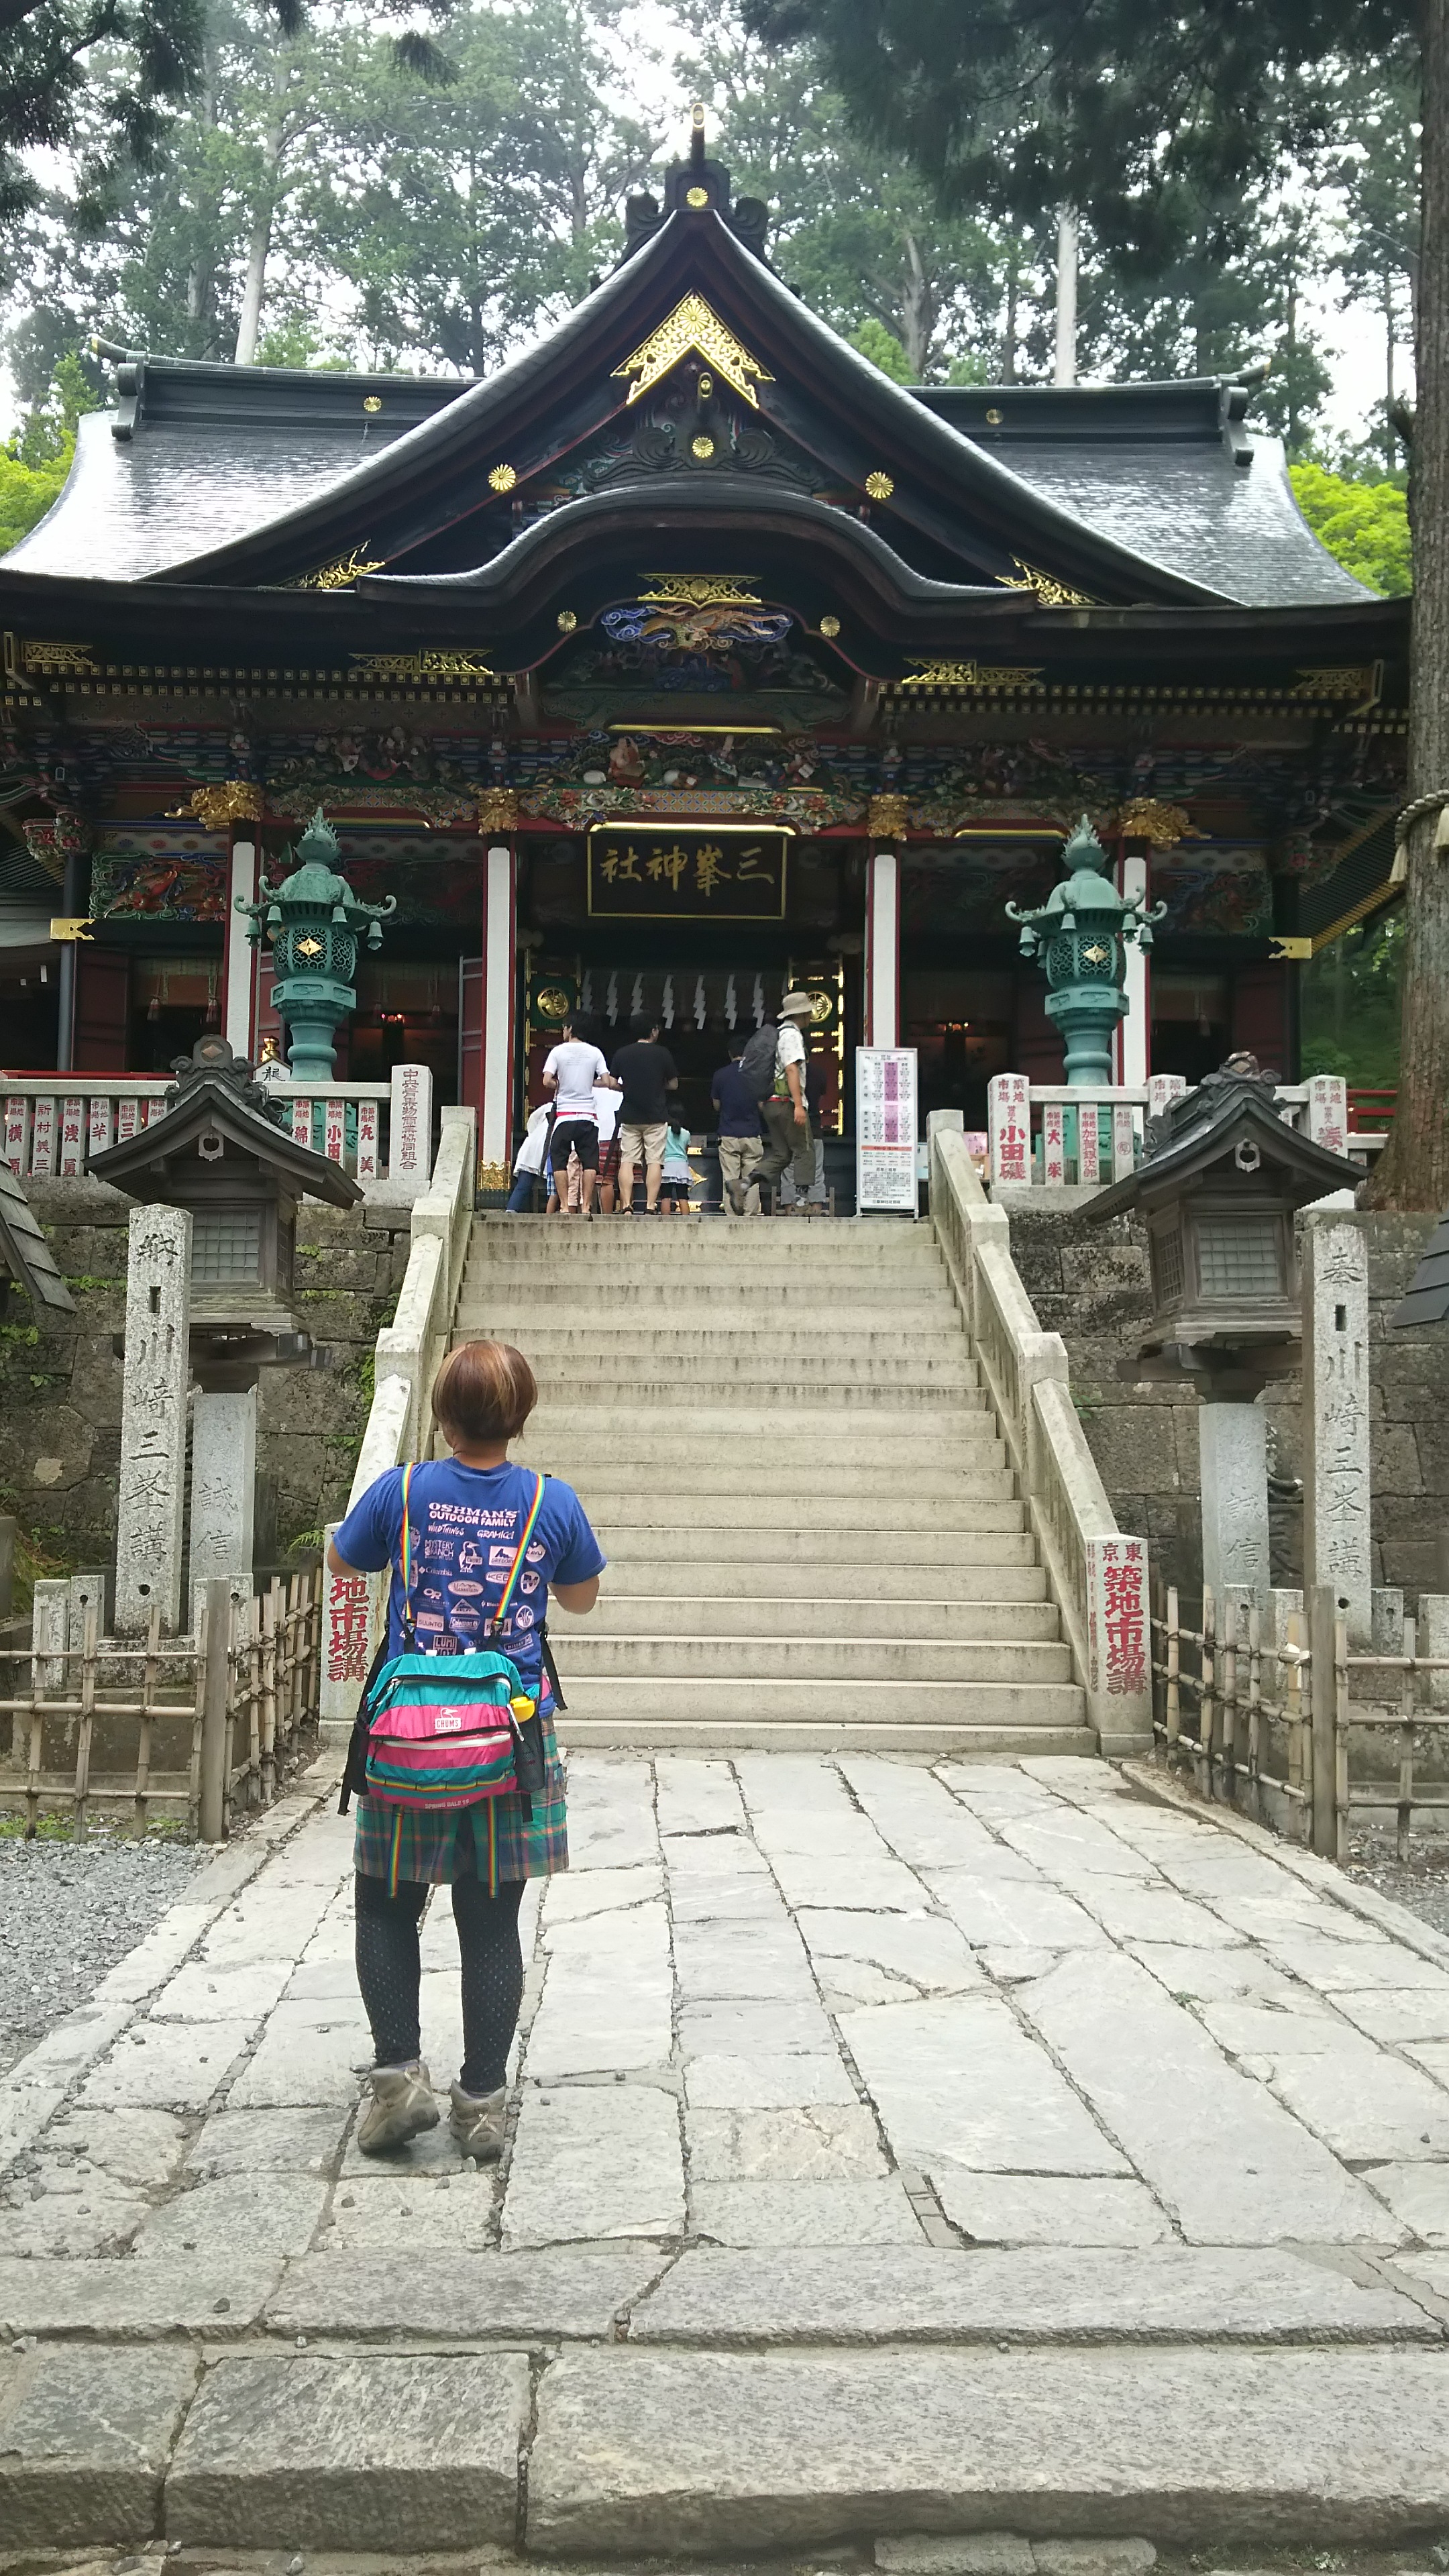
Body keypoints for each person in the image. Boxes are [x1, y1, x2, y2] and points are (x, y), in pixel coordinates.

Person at [327, 1339, 605, 2163]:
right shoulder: (551, 1503)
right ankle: (481, 2104)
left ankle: (397, 2081)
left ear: (442, 1415)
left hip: (409, 1732)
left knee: (385, 1904)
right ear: (520, 1417)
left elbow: (344, 1559)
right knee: (491, 1921)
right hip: (509, 1736)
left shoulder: (404, 1490)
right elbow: (582, 1600)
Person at [541, 1014, 619, 1218]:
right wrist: (590, 1084)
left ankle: (565, 1205)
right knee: (590, 1162)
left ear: (571, 1028)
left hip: (564, 1116)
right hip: (588, 1116)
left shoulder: (558, 1051)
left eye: (564, 1028)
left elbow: (546, 1080)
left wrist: (560, 1085)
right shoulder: (595, 1053)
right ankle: (586, 1207)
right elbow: (608, 1081)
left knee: (560, 1160)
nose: (563, 1032)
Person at [745, 988, 816, 1210]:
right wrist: (798, 1105)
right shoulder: (792, 1036)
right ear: (802, 1014)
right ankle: (802, 1200)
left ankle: (745, 1182)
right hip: (787, 1103)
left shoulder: (777, 1034)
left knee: (782, 1154)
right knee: (805, 1150)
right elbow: (792, 1069)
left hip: (771, 1103)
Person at [611, 1011, 678, 1216]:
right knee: (654, 1161)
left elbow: (613, 1082)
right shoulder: (663, 1054)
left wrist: (627, 1088)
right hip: (656, 1116)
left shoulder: (622, 1053)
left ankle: (626, 1205)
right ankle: (650, 1205)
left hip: (630, 1115)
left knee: (628, 1160)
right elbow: (674, 1084)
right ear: (654, 1031)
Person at [712, 1038, 763, 1217]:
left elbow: (716, 1106)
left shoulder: (720, 1075)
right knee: (752, 1178)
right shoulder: (756, 1075)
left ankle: (732, 1218)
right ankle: (750, 1216)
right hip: (752, 1132)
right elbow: (762, 1105)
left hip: (728, 1133)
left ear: (730, 1054)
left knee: (730, 1178)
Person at [780, 1052, 831, 1211]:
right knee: (815, 1171)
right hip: (814, 1128)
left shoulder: (785, 1073)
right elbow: (821, 1096)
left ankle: (791, 1209)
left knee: (789, 1169)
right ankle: (816, 1208)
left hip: (791, 1128)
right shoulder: (819, 1073)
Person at [505, 1103, 551, 1214]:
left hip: (531, 1147)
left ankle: (512, 1209)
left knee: (523, 1185)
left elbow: (533, 1120)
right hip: (544, 1148)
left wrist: (533, 1134)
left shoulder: (549, 1106)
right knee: (555, 1187)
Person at [659, 1108, 693, 1214]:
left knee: (666, 1197)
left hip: (667, 1165)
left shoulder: (662, 1132)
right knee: (683, 1197)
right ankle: (687, 1223)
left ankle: (665, 1223)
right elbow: (686, 1150)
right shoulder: (686, 1133)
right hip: (682, 1166)